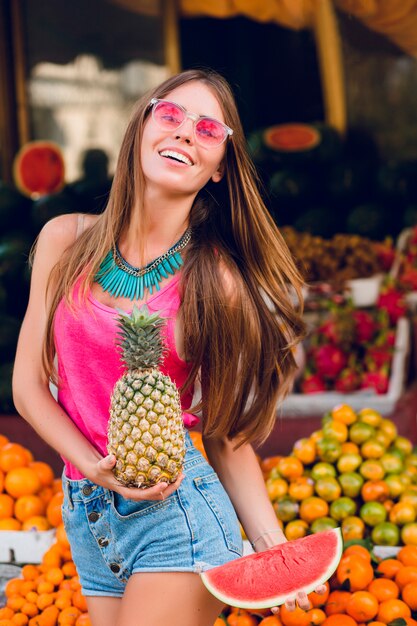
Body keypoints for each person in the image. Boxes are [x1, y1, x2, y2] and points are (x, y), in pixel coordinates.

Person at [13, 69, 324, 626]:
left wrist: (273, 545)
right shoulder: (63, 240)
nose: (185, 133)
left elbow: (225, 435)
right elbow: (29, 388)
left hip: (175, 514)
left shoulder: (216, 282)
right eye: (171, 115)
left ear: (220, 167)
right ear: (140, 127)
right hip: (87, 512)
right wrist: (92, 467)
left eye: (208, 129)